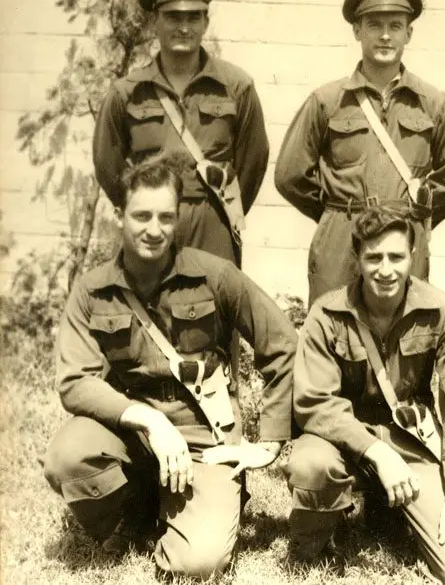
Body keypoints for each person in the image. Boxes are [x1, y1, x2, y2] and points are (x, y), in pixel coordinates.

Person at [42, 156, 297, 579]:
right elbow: (74, 381)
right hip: (129, 430)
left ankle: (195, 503)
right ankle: (134, 513)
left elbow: (283, 343)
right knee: (67, 458)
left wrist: (269, 442)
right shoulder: (93, 291)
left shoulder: (215, 275)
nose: (154, 229)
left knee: (199, 564)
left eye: (165, 217)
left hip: (203, 433)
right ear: (119, 215)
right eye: (141, 215)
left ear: (178, 219)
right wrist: (147, 421)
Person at [284, 205, 445, 584]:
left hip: (408, 440)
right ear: (356, 258)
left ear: (412, 256)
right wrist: (376, 452)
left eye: (396, 257)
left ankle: (391, 509)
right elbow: (313, 403)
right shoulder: (326, 314)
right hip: (341, 441)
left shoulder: (441, 311)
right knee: (311, 465)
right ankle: (320, 531)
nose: (385, 269)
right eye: (373, 257)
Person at [274, 0, 445, 306]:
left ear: (409, 33)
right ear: (357, 31)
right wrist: (335, 213)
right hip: (342, 239)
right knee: (333, 331)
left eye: (395, 26)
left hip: (403, 237)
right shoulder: (327, 100)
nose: (384, 36)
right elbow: (290, 175)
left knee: (405, 336)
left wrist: (415, 216)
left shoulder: (433, 102)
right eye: (373, 25)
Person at [93, 0, 269, 267]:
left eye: (193, 17)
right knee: (149, 307)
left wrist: (218, 210)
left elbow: (253, 161)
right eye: (174, 17)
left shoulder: (236, 87)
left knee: (211, 305)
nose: (184, 27)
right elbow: (107, 165)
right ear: (154, 23)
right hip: (153, 224)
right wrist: (142, 207)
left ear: (205, 23)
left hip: (212, 220)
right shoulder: (127, 92)